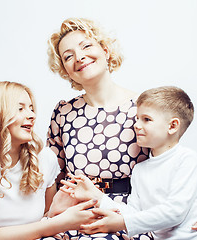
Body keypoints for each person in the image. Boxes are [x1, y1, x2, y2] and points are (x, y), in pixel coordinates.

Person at [43, 17, 153, 239]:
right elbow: (54, 176)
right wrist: (51, 217)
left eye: (86, 46)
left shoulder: (143, 106)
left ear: (105, 51)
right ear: (66, 70)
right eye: (68, 56)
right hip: (73, 213)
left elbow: (168, 165)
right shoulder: (63, 112)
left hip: (124, 213)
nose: (79, 57)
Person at [0, 81, 97, 240]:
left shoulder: (45, 159)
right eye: (20, 108)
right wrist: (59, 223)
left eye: (31, 108)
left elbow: (45, 220)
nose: (32, 115)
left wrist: (54, 215)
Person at [61, 86, 197, 240]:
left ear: (172, 126)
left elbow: (174, 212)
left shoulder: (187, 160)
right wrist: (97, 197)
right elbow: (133, 212)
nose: (137, 125)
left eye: (146, 119)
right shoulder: (140, 170)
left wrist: (122, 223)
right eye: (137, 118)